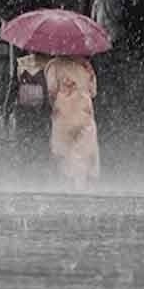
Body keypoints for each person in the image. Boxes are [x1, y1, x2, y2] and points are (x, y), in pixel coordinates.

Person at [43, 55, 100, 190]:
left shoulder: (53, 65)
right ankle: (83, 185)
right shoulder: (86, 66)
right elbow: (93, 92)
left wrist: (56, 101)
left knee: (63, 151)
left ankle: (66, 184)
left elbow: (51, 89)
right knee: (84, 151)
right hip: (84, 113)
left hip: (63, 114)